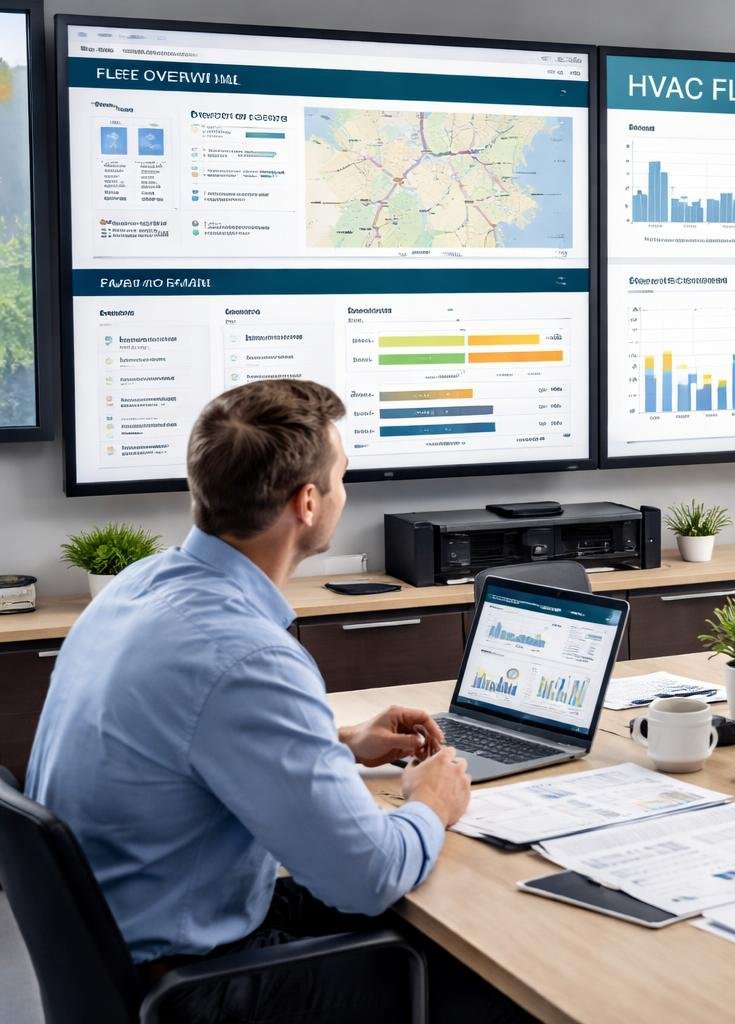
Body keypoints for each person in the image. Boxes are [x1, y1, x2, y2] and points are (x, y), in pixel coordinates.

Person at [26, 379, 524, 1023]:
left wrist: (338, 742)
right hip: (194, 988)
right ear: (308, 502)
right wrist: (432, 803)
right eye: (344, 476)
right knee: (487, 974)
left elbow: (182, 740)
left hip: (120, 958)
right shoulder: (246, 656)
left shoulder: (136, 587)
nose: (348, 492)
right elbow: (366, 875)